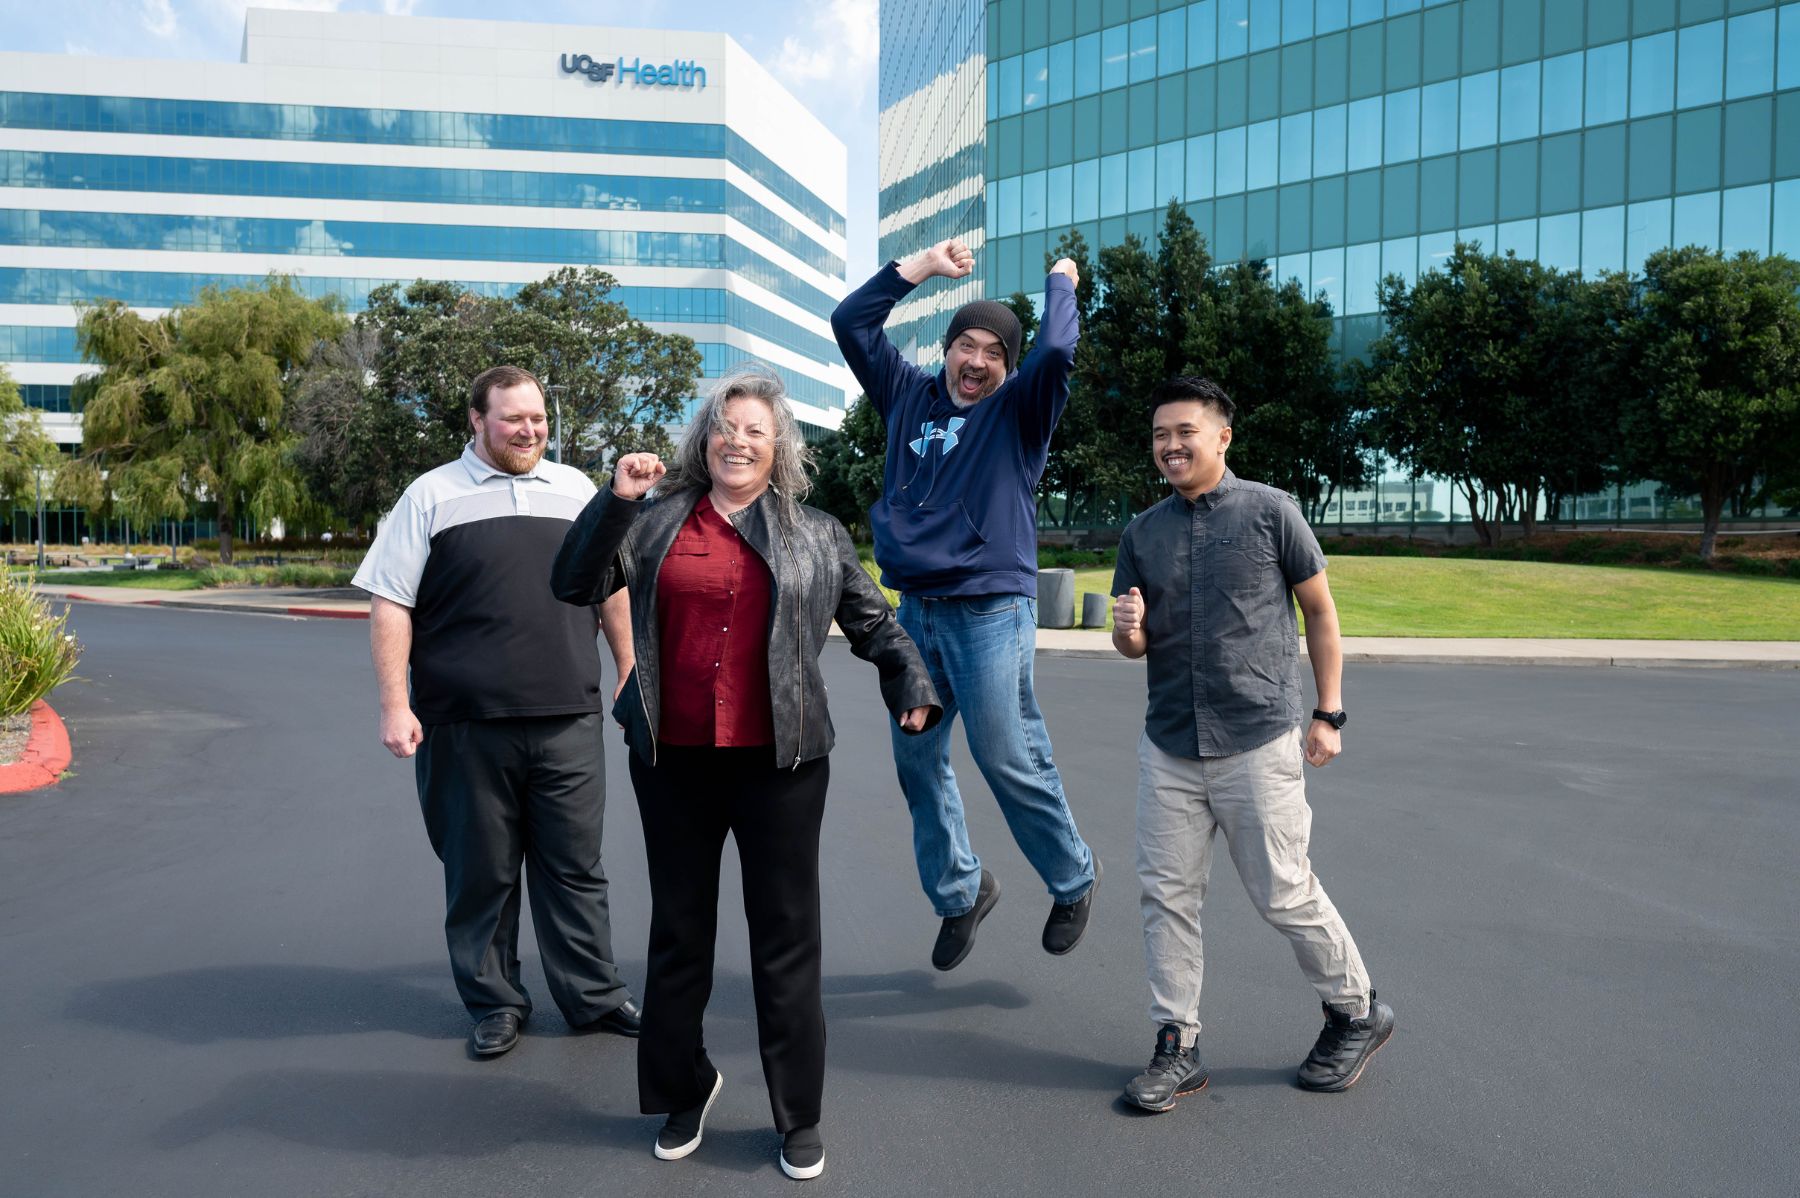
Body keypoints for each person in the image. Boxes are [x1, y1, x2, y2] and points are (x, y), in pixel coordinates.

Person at [550, 363, 940, 1181]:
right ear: (705, 439)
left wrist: (911, 683)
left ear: (778, 447)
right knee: (679, 934)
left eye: (755, 431)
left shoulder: (816, 534)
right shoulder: (651, 521)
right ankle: (684, 1088)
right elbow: (572, 581)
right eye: (725, 427)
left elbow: (875, 623)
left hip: (782, 764)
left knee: (786, 939)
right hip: (674, 760)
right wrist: (615, 498)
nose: (738, 440)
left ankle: (798, 1115)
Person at [1109, 376, 1394, 1112]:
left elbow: (1320, 613)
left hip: (1256, 738)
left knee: (1283, 891)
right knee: (1166, 897)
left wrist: (1329, 713)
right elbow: (1134, 646)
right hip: (1170, 745)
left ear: (1222, 437)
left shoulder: (1272, 512)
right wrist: (1126, 630)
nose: (1171, 446)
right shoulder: (1142, 534)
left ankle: (1357, 1010)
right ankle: (1177, 1044)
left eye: (1185, 432)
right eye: (1160, 435)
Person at [353, 364, 640, 1059]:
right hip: (465, 723)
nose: (528, 430)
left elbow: (611, 588)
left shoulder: (577, 491)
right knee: (481, 872)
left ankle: (593, 997)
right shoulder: (430, 495)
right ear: (477, 420)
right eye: (513, 418)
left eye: (537, 418)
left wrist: (630, 668)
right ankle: (496, 1004)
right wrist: (395, 704)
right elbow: (391, 602)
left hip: (568, 715)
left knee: (576, 868)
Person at [830, 238, 1099, 972]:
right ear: (946, 351)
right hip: (916, 614)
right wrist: (921, 267)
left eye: (994, 353)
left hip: (989, 610)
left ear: (1007, 368)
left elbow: (1055, 351)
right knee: (917, 761)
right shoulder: (906, 394)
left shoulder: (1018, 412)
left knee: (1005, 752)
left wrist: (1062, 281)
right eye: (966, 346)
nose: (977, 362)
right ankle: (961, 890)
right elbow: (851, 321)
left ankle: (1073, 876)